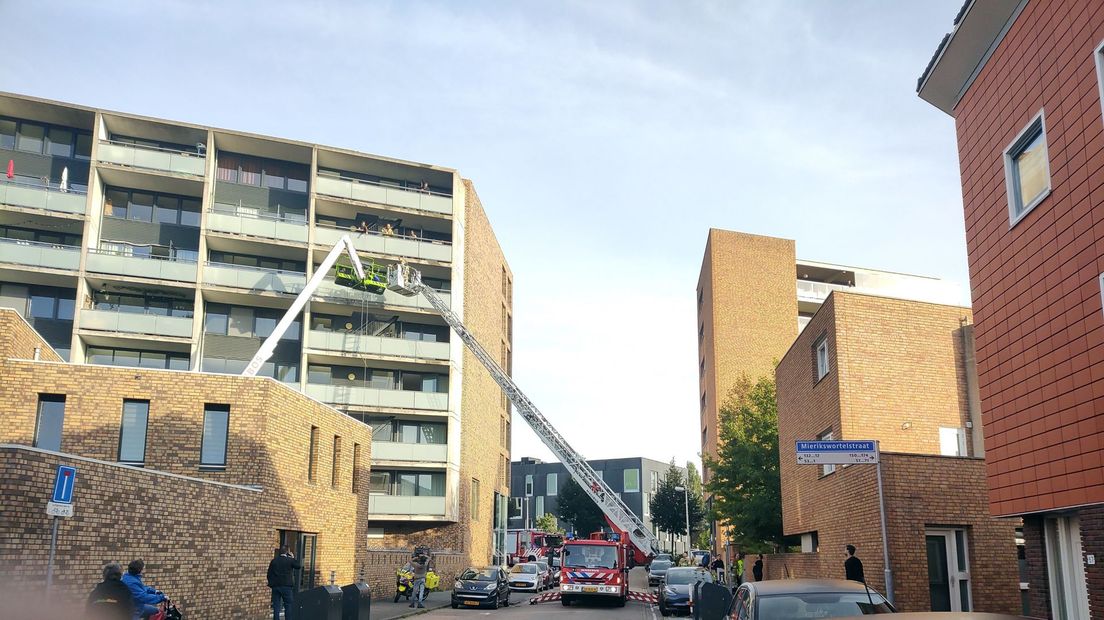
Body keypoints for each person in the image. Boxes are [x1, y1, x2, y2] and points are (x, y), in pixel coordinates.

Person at [268, 546, 302, 620]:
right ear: (287, 552)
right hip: (286, 586)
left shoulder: (274, 561)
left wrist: (271, 584)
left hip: (276, 586)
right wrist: (293, 557)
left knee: (276, 606)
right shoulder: (289, 560)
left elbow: (269, 574)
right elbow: (298, 566)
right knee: (288, 605)